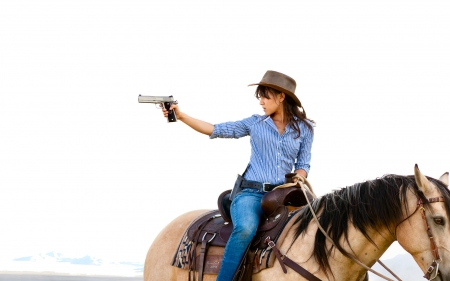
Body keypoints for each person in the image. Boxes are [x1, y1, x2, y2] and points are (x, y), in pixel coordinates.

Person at [162, 70, 314, 281]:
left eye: (265, 96)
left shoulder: (305, 129)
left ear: (281, 97)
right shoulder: (255, 123)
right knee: (245, 229)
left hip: (284, 196)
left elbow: (304, 163)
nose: (260, 101)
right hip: (251, 193)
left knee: (316, 226)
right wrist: (182, 116)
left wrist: (299, 175)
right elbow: (216, 129)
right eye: (259, 96)